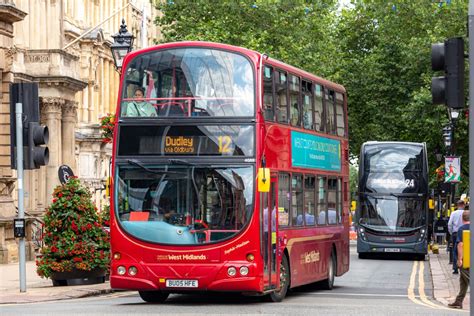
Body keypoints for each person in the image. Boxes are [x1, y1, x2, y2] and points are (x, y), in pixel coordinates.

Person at [448, 209, 470, 309]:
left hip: (465, 259)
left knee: (469, 279)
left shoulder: (462, 228)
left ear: (462, 218)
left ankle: (459, 301)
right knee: (463, 281)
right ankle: (459, 301)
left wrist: (459, 259)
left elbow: (460, 244)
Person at [448, 200, 465, 274]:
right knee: (464, 250)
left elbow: (449, 224)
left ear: (457, 205)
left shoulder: (453, 213)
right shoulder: (466, 213)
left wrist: (451, 232)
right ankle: (464, 267)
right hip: (465, 233)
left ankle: (455, 268)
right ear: (463, 205)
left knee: (455, 251)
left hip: (455, 233)